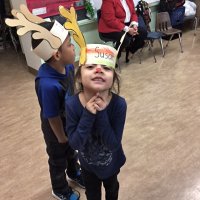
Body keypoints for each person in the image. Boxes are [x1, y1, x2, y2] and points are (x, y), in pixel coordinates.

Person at [5, 5, 84, 200]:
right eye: (69, 45)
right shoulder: (47, 84)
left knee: (71, 151)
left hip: (68, 120)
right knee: (58, 157)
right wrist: (61, 136)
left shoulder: (68, 68)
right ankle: (60, 188)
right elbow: (52, 116)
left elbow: (73, 91)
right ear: (57, 54)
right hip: (54, 127)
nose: (73, 46)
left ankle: (74, 173)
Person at [65, 43, 127, 200]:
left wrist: (101, 114)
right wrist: (87, 114)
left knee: (112, 190)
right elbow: (75, 144)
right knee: (92, 194)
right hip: (87, 166)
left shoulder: (119, 105)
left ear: (113, 78)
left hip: (111, 164)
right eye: (91, 66)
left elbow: (113, 144)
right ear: (79, 75)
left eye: (106, 68)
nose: (99, 70)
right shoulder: (72, 104)